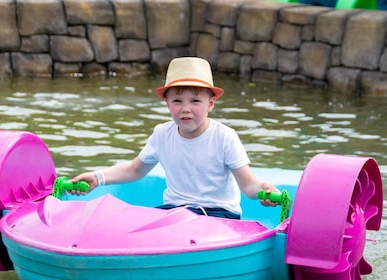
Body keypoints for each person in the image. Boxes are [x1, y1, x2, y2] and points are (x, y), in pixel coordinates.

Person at [71, 56, 279, 220]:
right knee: (133, 225)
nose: (185, 109)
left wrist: (263, 190)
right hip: (175, 211)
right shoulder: (162, 134)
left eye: (195, 100)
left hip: (219, 214)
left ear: (211, 103)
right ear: (167, 104)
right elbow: (134, 170)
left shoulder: (224, 137)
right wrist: (97, 178)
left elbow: (247, 183)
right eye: (177, 100)